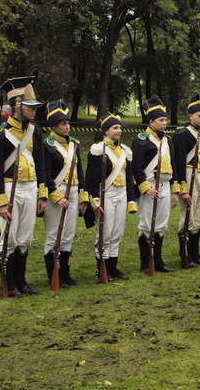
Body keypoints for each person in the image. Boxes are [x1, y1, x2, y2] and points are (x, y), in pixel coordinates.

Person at [0, 76, 47, 297]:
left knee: (25, 237)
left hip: (30, 188)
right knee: (9, 238)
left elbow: (40, 164)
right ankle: (9, 283)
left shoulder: (35, 131)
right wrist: (1, 202)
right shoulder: (0, 133)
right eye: (30, 107)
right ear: (17, 106)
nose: (34, 111)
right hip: (9, 188)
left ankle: (21, 281)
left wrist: (42, 195)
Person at [42, 100, 89, 288]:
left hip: (74, 193)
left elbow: (80, 173)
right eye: (63, 124)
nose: (67, 127)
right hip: (57, 194)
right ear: (54, 126)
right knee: (54, 236)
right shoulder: (47, 145)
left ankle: (65, 274)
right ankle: (54, 275)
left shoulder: (74, 145)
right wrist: (56, 196)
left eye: (68, 123)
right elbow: (44, 174)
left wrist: (83, 198)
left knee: (68, 236)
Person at [86, 113, 137, 281]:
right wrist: (95, 200)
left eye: (120, 128)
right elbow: (91, 179)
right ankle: (102, 267)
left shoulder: (124, 151)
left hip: (121, 193)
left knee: (117, 231)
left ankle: (112, 267)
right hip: (106, 193)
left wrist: (130, 199)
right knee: (105, 232)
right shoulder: (98, 150)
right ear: (106, 131)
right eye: (115, 128)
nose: (119, 131)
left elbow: (129, 177)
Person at [132, 95, 178, 273]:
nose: (164, 123)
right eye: (161, 120)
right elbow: (136, 168)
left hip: (165, 185)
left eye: (165, 119)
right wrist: (146, 189)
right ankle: (146, 262)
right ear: (151, 122)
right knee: (146, 225)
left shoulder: (167, 141)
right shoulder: (141, 141)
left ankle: (157, 260)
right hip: (150, 186)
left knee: (161, 225)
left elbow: (173, 166)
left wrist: (174, 190)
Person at [172, 93, 200, 267]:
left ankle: (195, 254)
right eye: (199, 115)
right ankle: (185, 253)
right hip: (189, 176)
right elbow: (178, 162)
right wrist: (182, 189)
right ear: (190, 116)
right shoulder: (182, 135)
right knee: (187, 216)